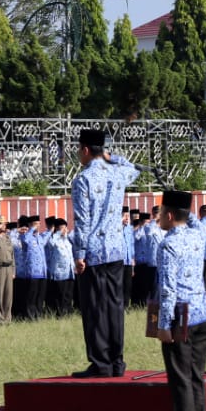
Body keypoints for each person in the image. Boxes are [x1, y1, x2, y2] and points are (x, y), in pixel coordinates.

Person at [70, 129, 138, 378]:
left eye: (79, 149)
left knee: (95, 307)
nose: (79, 153)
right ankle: (117, 361)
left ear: (86, 149)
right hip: (116, 250)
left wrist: (79, 253)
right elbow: (133, 167)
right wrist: (113, 157)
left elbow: (82, 221)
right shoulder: (118, 173)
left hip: (95, 252)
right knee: (115, 306)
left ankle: (101, 363)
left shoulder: (83, 180)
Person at [150, 190, 206, 411]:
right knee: (196, 377)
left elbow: (168, 289)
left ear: (171, 215)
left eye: (162, 213)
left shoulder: (168, 245)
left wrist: (163, 325)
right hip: (202, 314)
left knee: (180, 379)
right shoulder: (198, 234)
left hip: (180, 318)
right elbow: (195, 221)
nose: (159, 219)